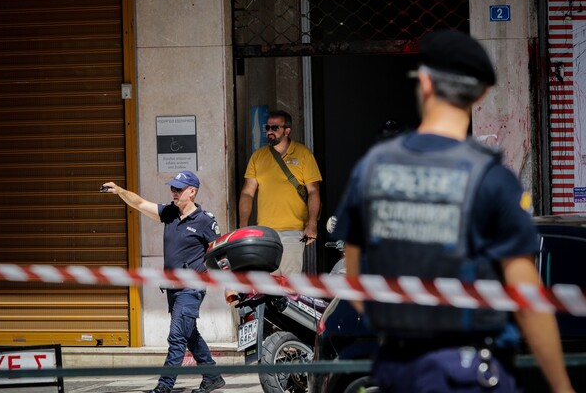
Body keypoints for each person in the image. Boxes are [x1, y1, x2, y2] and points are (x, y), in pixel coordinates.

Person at [334, 30, 575, 392]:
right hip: (469, 375)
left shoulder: (371, 171)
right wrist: (561, 387)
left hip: (397, 371)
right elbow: (528, 302)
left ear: (426, 83)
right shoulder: (492, 179)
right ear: (481, 93)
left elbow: (356, 283)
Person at [101, 171, 225, 393]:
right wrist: (120, 191)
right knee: (190, 334)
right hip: (172, 288)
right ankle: (212, 376)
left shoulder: (205, 220)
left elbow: (220, 254)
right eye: (172, 188)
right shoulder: (169, 213)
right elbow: (139, 203)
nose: (173, 192)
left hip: (192, 288)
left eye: (178, 189)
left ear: (192, 191)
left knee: (177, 336)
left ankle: (164, 386)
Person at [239, 109, 322, 276]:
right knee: (268, 284)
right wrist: (243, 225)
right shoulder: (258, 157)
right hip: (265, 232)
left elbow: (313, 191)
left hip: (294, 230)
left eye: (275, 127)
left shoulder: (303, 154)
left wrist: (312, 224)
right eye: (267, 127)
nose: (269, 131)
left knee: (290, 285)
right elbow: (248, 193)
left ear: (287, 130)